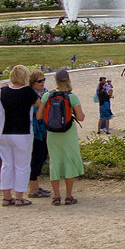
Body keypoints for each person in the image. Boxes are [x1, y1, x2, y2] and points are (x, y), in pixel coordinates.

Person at [0, 66, 42, 206]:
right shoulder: (28, 92)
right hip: (22, 132)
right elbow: (38, 103)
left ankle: (6, 196)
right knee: (22, 165)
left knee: (7, 165)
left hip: (3, 132)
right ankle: (19, 196)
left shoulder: (2, 91)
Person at [43, 68, 86, 205]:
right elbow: (81, 117)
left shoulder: (48, 96)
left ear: (55, 80)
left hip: (52, 133)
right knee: (69, 161)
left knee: (54, 162)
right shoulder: (72, 97)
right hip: (68, 133)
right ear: (68, 80)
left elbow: (39, 116)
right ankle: (68, 196)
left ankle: (56, 196)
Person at [25, 70, 52, 200]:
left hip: (43, 129)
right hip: (36, 130)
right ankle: (33, 189)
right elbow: (37, 111)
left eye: (43, 80)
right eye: (39, 81)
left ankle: (36, 185)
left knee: (41, 157)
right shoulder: (31, 95)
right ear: (32, 83)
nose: (42, 83)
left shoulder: (44, 92)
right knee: (36, 158)